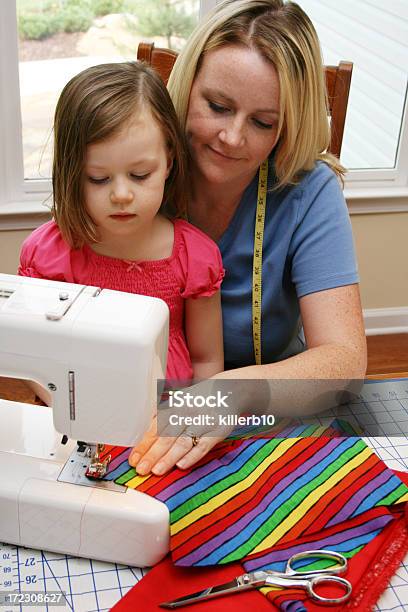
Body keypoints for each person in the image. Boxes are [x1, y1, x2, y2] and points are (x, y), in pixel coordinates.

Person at [128, 0, 367, 476]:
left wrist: (228, 394)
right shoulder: (135, 169)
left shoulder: (307, 191)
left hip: (263, 412)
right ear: (186, 85)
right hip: (142, 408)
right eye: (217, 106)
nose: (232, 137)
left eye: (263, 122)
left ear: (288, 127)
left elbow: (344, 361)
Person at [18, 61, 224, 389]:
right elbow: (35, 358)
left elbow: (206, 361)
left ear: (168, 161)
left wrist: (192, 421)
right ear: (73, 173)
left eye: (140, 175)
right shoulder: (52, 254)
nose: (122, 195)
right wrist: (73, 413)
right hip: (81, 421)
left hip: (170, 420)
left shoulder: (194, 257)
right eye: (98, 178)